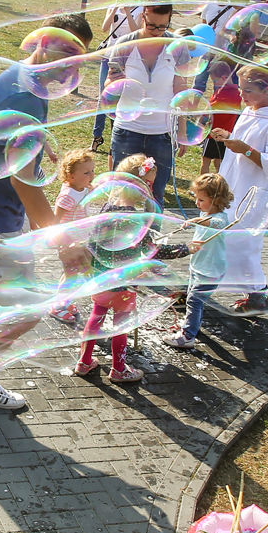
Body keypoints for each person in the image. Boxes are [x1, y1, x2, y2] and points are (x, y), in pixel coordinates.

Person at [0, 12, 93, 431]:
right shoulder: (26, 95)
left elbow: (13, 149)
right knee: (22, 312)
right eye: (63, 51)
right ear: (40, 42)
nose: (68, 64)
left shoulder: (27, 79)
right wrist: (64, 242)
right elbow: (24, 182)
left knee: (10, 310)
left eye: (77, 58)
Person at [74, 153, 165, 383]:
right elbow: (152, 249)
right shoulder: (137, 218)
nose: (151, 190)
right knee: (120, 326)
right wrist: (186, 249)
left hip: (101, 278)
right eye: (149, 184)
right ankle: (119, 369)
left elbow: (93, 241)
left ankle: (84, 363)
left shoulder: (106, 208)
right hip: (124, 281)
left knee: (96, 317)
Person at [212, 66, 268, 316]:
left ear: (267, 89)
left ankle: (258, 293)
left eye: (248, 90)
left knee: (244, 245)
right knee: (224, 239)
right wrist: (228, 137)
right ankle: (209, 285)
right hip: (233, 186)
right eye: (240, 88)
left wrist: (244, 149)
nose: (242, 94)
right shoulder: (249, 111)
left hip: (253, 193)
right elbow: (241, 144)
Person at [106, 0, 190, 204]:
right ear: (142, 15)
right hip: (127, 129)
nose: (157, 31)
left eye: (163, 26)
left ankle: (151, 237)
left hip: (161, 134)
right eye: (151, 25)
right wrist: (116, 84)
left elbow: (180, 90)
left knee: (156, 195)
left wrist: (182, 131)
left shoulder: (178, 47)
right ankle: (116, 235)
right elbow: (110, 81)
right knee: (121, 194)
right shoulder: (125, 44)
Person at [165, 173, 233, 349]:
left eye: (201, 200)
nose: (197, 203)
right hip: (199, 267)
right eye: (196, 198)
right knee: (193, 299)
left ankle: (188, 336)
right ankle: (191, 323)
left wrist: (197, 220)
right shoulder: (206, 214)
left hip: (210, 271)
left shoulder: (221, 218)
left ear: (216, 200)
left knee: (194, 301)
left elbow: (215, 224)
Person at [91, 0, 144, 151]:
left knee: (120, 97)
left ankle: (117, 135)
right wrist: (115, 7)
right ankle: (96, 136)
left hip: (127, 58)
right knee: (103, 96)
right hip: (109, 55)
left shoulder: (140, 8)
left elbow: (136, 31)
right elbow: (105, 28)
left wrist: (128, 10)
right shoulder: (114, 5)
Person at [49, 148, 97, 325]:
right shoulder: (67, 195)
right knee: (70, 276)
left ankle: (65, 302)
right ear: (70, 177)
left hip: (80, 240)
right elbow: (56, 220)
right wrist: (61, 243)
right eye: (86, 172)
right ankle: (57, 306)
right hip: (68, 242)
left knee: (73, 275)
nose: (91, 175)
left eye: (92, 170)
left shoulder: (81, 188)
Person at [200, 62, 241, 176]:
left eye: (214, 81)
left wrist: (202, 116)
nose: (214, 84)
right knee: (213, 163)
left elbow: (212, 108)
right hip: (218, 134)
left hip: (217, 134)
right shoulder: (226, 92)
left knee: (211, 163)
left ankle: (212, 187)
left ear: (223, 77)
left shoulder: (233, 94)